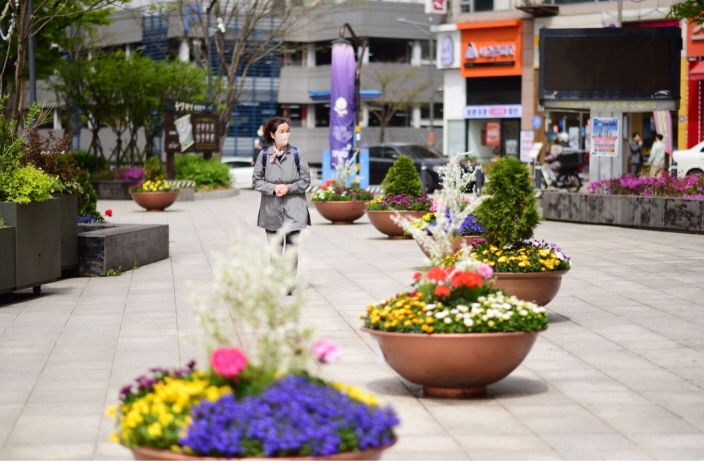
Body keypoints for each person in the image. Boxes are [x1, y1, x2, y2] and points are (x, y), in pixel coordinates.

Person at [252, 116, 311, 285]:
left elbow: (305, 180)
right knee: (275, 250)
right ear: (272, 134)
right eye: (282, 132)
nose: (286, 135)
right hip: (271, 210)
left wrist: (288, 188)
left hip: (294, 209)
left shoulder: (298, 154)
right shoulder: (263, 155)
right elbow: (257, 181)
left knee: (291, 250)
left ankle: (290, 283)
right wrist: (273, 188)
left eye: (288, 131)